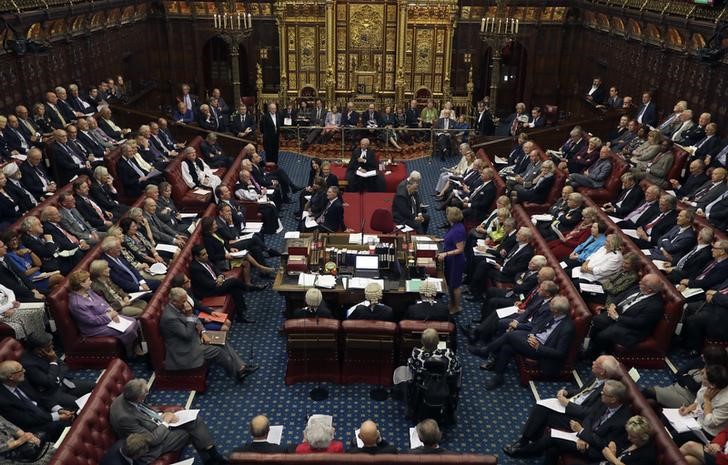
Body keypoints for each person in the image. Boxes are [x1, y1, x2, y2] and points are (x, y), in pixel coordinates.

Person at [504, 355, 621, 457]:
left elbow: (589, 413)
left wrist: (568, 404)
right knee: (540, 406)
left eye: (597, 363)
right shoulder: (595, 376)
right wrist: (567, 392)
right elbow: (582, 392)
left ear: (603, 372)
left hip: (578, 418)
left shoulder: (606, 392)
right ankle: (525, 440)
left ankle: (529, 446)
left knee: (545, 413)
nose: (593, 363)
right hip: (571, 405)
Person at [110, 378, 226, 465]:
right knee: (189, 432)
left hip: (156, 425)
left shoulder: (128, 395)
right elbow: (152, 440)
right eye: (146, 394)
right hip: (151, 446)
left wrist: (161, 414)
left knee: (194, 420)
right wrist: (165, 422)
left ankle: (212, 454)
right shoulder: (124, 418)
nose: (147, 395)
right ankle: (212, 458)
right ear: (138, 398)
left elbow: (144, 410)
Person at [161, 287, 256, 382]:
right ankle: (236, 374)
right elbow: (187, 335)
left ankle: (241, 368)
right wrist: (189, 315)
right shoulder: (170, 318)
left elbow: (195, 319)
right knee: (218, 351)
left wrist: (203, 332)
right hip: (185, 349)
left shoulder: (179, 306)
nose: (186, 303)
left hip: (196, 338)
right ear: (174, 302)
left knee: (221, 340)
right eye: (183, 301)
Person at [483, 296, 575, 390]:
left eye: (551, 308)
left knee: (509, 336)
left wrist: (538, 347)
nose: (549, 308)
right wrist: (532, 334)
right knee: (507, 347)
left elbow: (560, 353)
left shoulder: (567, 328)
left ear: (557, 311)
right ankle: (498, 376)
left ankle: (486, 351)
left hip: (541, 351)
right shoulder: (553, 314)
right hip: (534, 339)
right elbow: (538, 325)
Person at [585, 274, 664, 358]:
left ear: (649, 290)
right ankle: (591, 345)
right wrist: (613, 304)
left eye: (642, 283)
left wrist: (617, 318)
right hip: (618, 314)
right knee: (595, 321)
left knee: (603, 335)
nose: (639, 283)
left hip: (631, 329)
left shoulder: (655, 306)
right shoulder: (640, 287)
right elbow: (623, 295)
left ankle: (593, 355)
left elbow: (638, 323)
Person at [67, 270, 140, 357]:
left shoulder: (88, 291)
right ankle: (130, 353)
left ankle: (133, 347)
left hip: (106, 318)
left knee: (133, 321)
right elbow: (92, 321)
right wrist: (109, 316)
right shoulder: (77, 303)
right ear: (82, 284)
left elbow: (103, 302)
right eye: (88, 280)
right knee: (128, 330)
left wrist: (110, 311)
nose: (91, 282)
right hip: (94, 329)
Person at [0, 360, 74, 441]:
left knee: (72, 410)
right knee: (64, 425)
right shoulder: (3, 400)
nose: (24, 371)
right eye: (21, 370)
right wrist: (56, 417)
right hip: (32, 425)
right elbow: (26, 419)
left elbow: (40, 397)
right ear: (11, 377)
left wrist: (59, 410)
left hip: (43, 412)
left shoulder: (22, 380)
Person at [20, 331, 95, 410]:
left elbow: (63, 366)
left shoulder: (48, 351)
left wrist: (56, 378)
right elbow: (48, 383)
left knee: (95, 387)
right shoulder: (28, 364)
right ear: (39, 350)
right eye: (49, 345)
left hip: (64, 383)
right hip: (51, 394)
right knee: (83, 405)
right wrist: (53, 361)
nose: (52, 347)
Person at [643, 345, 728, 409]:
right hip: (675, 387)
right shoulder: (700, 361)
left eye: (704, 355)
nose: (701, 355)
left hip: (686, 398)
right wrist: (687, 380)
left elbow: (694, 387)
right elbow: (680, 373)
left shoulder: (716, 375)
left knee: (649, 391)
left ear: (710, 360)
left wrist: (686, 378)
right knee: (650, 403)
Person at [189, 245, 257, 323]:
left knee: (234, 288)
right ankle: (248, 288)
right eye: (204, 254)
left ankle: (241, 315)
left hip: (217, 283)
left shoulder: (205, 259)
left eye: (206, 253)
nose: (207, 255)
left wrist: (221, 276)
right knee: (234, 281)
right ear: (197, 257)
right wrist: (218, 281)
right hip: (208, 291)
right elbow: (207, 284)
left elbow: (216, 270)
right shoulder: (195, 268)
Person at [672, 364, 728, 445]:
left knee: (676, 435)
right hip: (697, 419)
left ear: (712, 385)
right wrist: (688, 408)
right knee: (668, 422)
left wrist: (707, 400)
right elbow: (698, 401)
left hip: (708, 431)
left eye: (703, 377)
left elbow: (710, 423)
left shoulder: (725, 401)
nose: (701, 376)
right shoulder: (707, 384)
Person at [438, 207, 466, 314]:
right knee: (450, 283)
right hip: (451, 260)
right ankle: (452, 304)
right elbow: (451, 239)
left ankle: (456, 307)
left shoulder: (458, 230)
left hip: (456, 261)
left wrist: (445, 253)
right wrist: (441, 240)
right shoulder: (455, 226)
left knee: (455, 285)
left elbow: (460, 249)